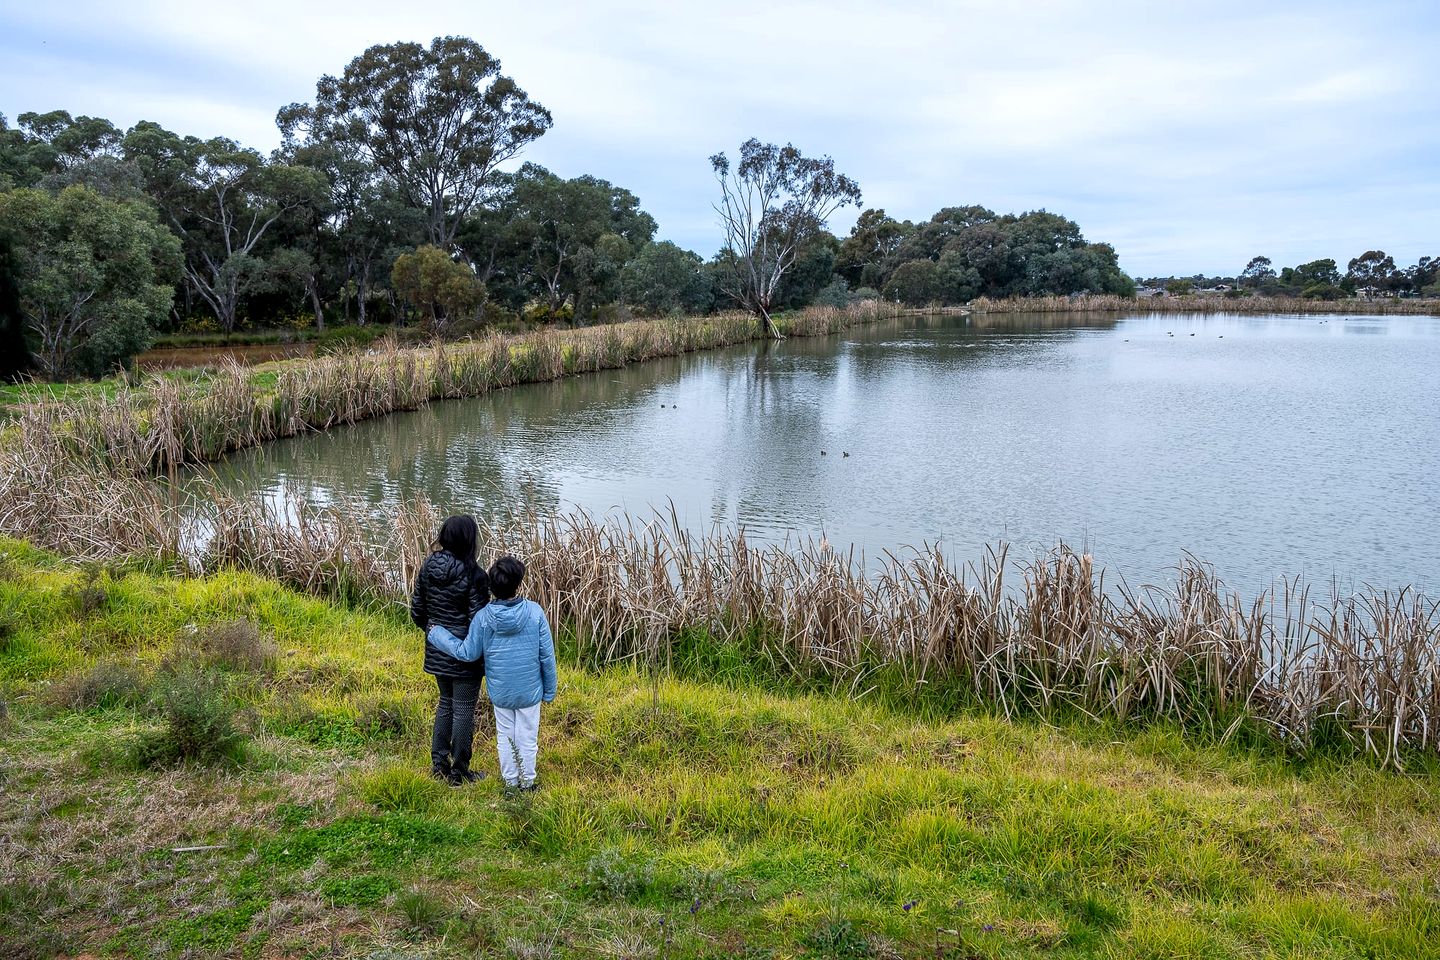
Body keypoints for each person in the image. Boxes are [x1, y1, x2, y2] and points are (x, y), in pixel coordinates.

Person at [426, 555, 556, 790]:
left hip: (501, 691)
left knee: (505, 737)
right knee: (527, 737)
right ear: (518, 583)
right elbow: (547, 656)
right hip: (530, 690)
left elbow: (466, 652)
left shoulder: (484, 617)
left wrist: (437, 634)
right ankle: (527, 783)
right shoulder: (535, 613)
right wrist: (549, 690)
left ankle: (510, 783)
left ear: (491, 586)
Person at [409, 515, 489, 786]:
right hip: (466, 655)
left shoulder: (428, 566)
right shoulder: (474, 574)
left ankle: (438, 765)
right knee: (464, 709)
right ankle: (459, 772)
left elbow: (417, 611)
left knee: (445, 704)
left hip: (437, 650)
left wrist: (436, 635)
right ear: (469, 540)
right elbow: (480, 622)